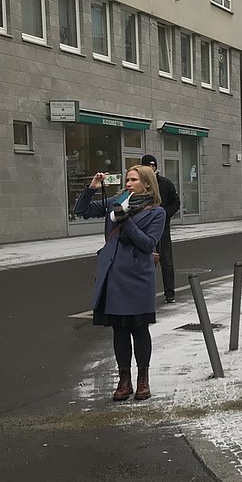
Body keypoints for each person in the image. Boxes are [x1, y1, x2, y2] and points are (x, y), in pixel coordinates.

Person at [73, 166, 167, 402]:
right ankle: (123, 380)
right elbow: (81, 210)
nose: (128, 183)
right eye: (127, 179)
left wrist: (125, 221)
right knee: (120, 329)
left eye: (134, 180)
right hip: (113, 273)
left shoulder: (157, 212)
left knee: (139, 328)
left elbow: (147, 244)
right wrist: (91, 189)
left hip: (137, 276)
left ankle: (142, 380)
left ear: (146, 184)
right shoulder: (117, 201)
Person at [140, 155, 181, 303]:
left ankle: (170, 293)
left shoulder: (165, 183)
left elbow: (175, 203)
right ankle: (144, 293)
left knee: (166, 261)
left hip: (162, 228)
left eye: (153, 165)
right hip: (143, 228)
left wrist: (164, 214)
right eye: (148, 165)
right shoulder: (140, 184)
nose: (151, 168)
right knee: (145, 260)